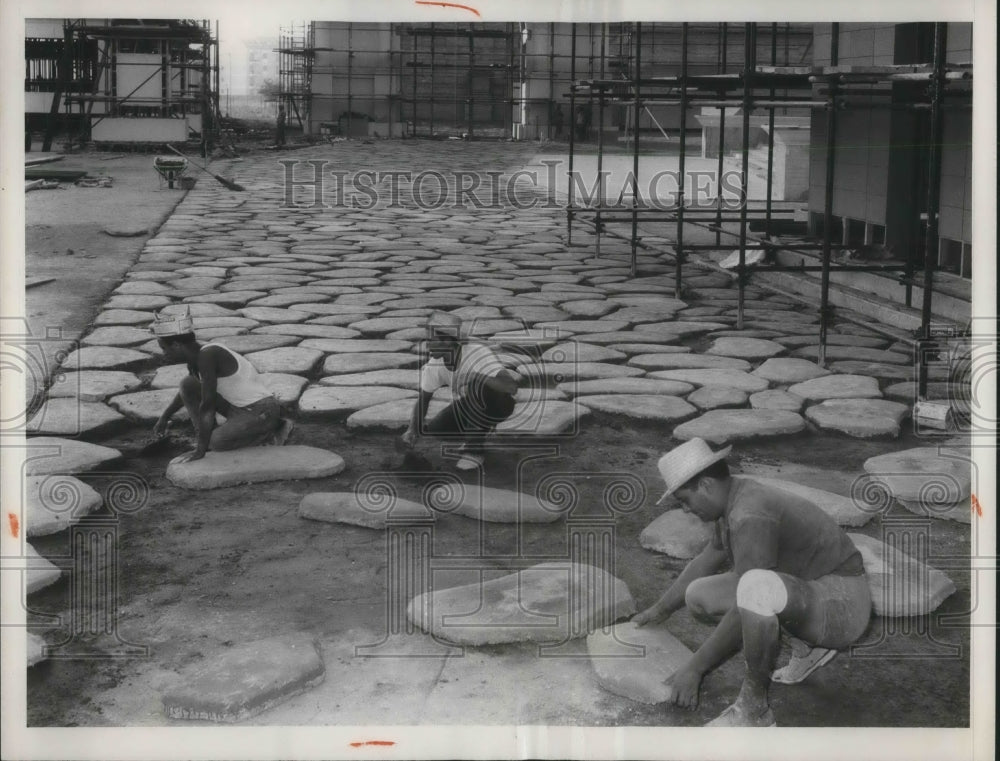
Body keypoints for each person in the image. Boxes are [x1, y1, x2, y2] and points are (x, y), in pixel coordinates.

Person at [633, 438, 871, 727]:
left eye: (685, 500)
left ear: (706, 485)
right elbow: (709, 558)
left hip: (843, 603)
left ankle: (754, 710)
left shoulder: (749, 512)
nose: (686, 510)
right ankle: (806, 646)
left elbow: (750, 597)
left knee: (756, 590)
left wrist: (694, 668)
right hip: (808, 587)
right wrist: (660, 610)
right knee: (699, 596)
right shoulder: (731, 499)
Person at [151, 308, 292, 463]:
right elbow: (186, 392)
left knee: (216, 442)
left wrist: (201, 451)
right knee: (188, 383)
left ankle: (271, 431)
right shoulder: (195, 358)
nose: (164, 353)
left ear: (177, 345)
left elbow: (208, 405)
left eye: (164, 348)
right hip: (238, 408)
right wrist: (164, 417)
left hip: (261, 411)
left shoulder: (208, 355)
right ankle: (207, 437)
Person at [401, 312, 519, 471]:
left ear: (448, 341)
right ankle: (479, 433)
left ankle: (474, 451)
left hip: (499, 404)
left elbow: (511, 387)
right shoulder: (434, 365)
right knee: (437, 429)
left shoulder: (477, 353)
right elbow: (423, 399)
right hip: (471, 406)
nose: (427, 346)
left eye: (431, 341)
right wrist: (412, 430)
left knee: (476, 386)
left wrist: (476, 376)